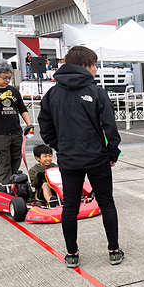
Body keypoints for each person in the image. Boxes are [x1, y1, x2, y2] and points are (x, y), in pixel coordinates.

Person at [38, 45, 123, 268]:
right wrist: (112, 152)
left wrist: (59, 146)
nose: (95, 69)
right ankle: (113, 250)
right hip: (97, 157)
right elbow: (110, 128)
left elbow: (44, 126)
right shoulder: (96, 92)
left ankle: (72, 254)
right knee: (106, 203)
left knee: (70, 207)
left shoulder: (53, 93)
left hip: (69, 158)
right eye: (94, 65)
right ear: (85, 66)